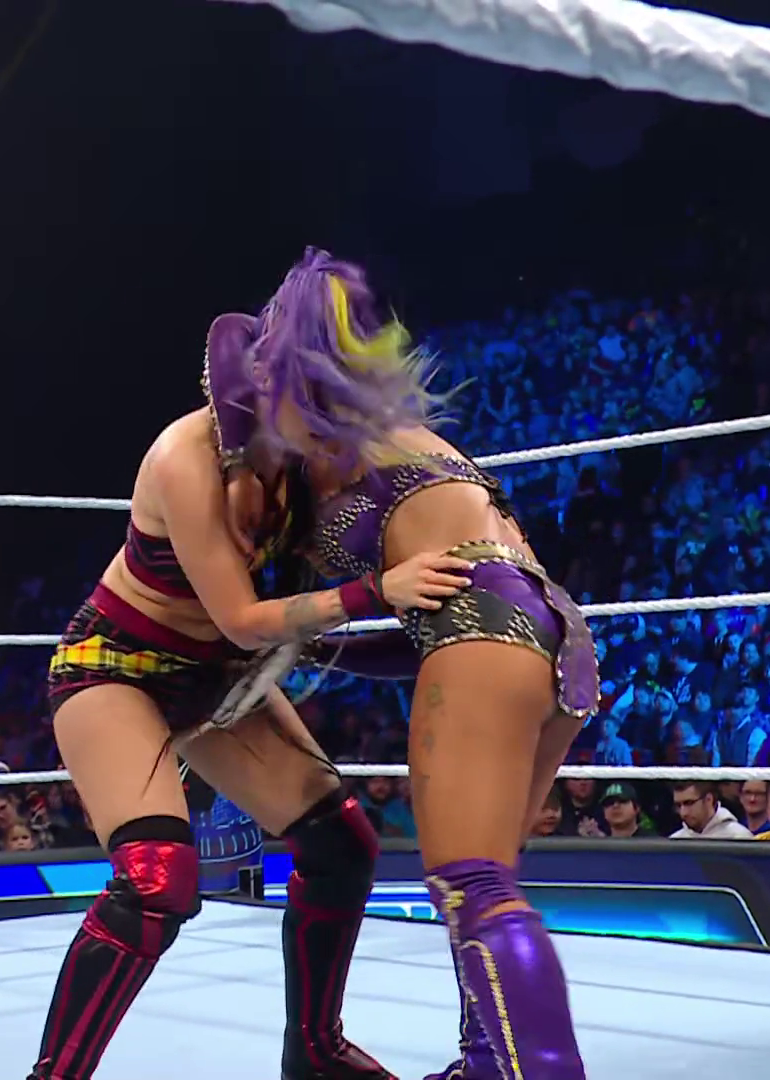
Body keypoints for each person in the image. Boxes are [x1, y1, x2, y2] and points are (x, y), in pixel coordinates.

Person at [29, 304, 475, 1080]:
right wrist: (378, 592)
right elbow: (241, 618)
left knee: (341, 844)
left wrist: (454, 635)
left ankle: (315, 1050)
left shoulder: (305, 463)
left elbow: (304, 626)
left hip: (218, 676)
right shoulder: (184, 458)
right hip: (117, 665)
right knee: (157, 878)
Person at [206, 249, 598, 1080]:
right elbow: (427, 628)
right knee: (489, 875)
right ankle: (486, 1061)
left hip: (489, 627)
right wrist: (317, 642)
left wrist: (243, 472)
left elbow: (226, 337)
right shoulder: (402, 435)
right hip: (552, 630)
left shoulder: (322, 433)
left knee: (471, 882)